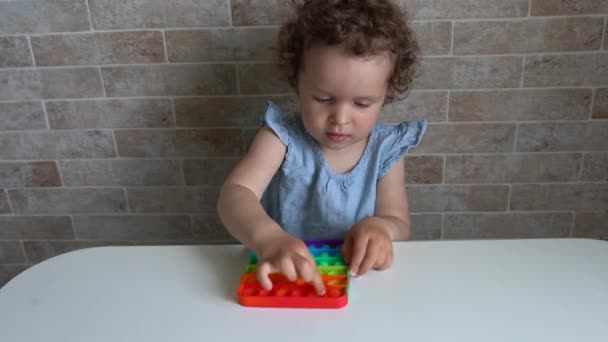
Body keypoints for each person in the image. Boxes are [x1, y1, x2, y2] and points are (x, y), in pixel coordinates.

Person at [217, 0, 426, 295]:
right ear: (297, 82)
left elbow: (399, 224)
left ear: (386, 93)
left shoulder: (386, 150)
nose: (340, 119)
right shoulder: (280, 138)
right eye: (324, 99)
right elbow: (235, 194)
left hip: (360, 285)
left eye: (362, 103)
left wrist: (382, 228)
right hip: (282, 277)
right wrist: (269, 239)